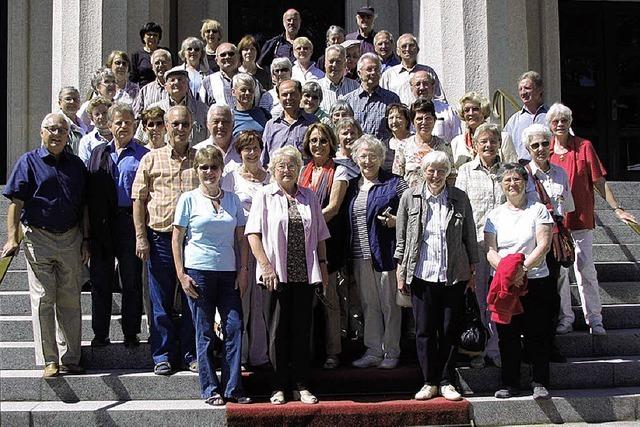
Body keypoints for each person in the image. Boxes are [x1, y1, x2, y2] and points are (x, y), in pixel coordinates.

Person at [2, 113, 90, 377]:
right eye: (51, 129)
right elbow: (15, 204)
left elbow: (85, 206)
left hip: (71, 237)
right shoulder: (27, 162)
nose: (57, 134)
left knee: (70, 299)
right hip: (38, 238)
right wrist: (11, 237)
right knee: (43, 298)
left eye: (62, 130)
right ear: (42, 133)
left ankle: (71, 357)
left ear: (68, 136)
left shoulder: (76, 165)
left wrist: (86, 238)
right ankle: (49, 359)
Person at [245, 146, 330, 405]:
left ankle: (301, 385)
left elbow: (321, 236)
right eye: (281, 165)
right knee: (277, 332)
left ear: (298, 169)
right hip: (275, 276)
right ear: (273, 169)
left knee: (302, 331)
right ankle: (278, 386)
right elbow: (253, 234)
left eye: (291, 165)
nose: (286, 170)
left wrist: (323, 270)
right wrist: (266, 267)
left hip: (304, 274)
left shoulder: (310, 197)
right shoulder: (265, 195)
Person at [548, 103, 637, 335]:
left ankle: (595, 319)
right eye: (555, 120)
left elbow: (598, 181)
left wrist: (616, 208)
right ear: (549, 125)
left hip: (580, 219)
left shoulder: (584, 147)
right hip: (556, 225)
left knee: (586, 270)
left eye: (563, 120)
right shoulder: (544, 150)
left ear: (570, 122)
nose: (559, 124)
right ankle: (565, 319)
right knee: (561, 276)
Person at [172, 146, 252, 405]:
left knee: (234, 327)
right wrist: (181, 274)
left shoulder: (233, 200)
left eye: (214, 167)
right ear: (197, 171)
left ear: (221, 170)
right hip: (199, 273)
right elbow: (177, 239)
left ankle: (232, 388)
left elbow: (241, 240)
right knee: (204, 331)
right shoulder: (188, 199)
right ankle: (210, 388)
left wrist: (243, 271)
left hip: (228, 273)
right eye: (204, 167)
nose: (209, 172)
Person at [396, 151, 478, 401]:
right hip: (421, 274)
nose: (435, 175)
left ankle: (446, 380)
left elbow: (469, 235)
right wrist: (401, 270)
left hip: (453, 274)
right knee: (424, 330)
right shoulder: (410, 197)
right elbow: (402, 238)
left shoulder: (459, 198)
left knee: (449, 328)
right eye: (431, 170)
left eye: (441, 170)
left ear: (448, 173)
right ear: (423, 172)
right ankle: (429, 381)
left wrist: (472, 269)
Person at [131, 105, 198, 376]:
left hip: (193, 242)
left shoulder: (201, 158)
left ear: (191, 126)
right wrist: (140, 237)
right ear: (165, 128)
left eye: (184, 124)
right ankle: (162, 355)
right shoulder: (151, 159)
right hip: (159, 239)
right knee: (159, 301)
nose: (180, 129)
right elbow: (139, 200)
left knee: (192, 298)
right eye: (175, 124)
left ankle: (190, 354)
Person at [484, 163, 554, 400]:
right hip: (504, 283)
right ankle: (509, 383)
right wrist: (507, 274)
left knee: (537, 333)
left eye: (516, 179)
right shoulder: (494, 215)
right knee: (507, 336)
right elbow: (490, 251)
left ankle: (540, 382)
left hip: (534, 280)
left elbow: (543, 245)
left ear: (526, 182)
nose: (512, 184)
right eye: (507, 180)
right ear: (501, 185)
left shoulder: (539, 210)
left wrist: (521, 271)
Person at [86, 103, 148, 348]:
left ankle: (131, 332)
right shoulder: (98, 153)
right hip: (102, 222)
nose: (123, 126)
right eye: (118, 122)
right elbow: (89, 192)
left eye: (128, 122)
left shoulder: (143, 154)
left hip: (130, 221)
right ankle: (100, 333)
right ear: (109, 125)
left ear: (134, 124)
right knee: (100, 280)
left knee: (131, 281)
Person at [345, 134, 408, 369]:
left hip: (386, 253)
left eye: (373, 156)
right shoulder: (351, 186)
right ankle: (373, 350)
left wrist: (396, 221)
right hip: (360, 255)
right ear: (356, 159)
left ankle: (391, 351)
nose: (368, 161)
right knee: (369, 304)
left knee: (390, 304)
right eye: (363, 156)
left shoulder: (395, 182)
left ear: (381, 158)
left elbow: (413, 213)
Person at [455, 123, 509, 368]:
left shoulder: (507, 172)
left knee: (499, 297)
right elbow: (460, 212)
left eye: (493, 140)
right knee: (476, 300)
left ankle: (496, 348)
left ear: (499, 143)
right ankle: (476, 349)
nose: (488, 145)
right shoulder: (465, 172)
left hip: (503, 247)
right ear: (474, 145)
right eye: (483, 141)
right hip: (475, 246)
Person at [298, 123, 349, 369]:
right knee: (306, 300)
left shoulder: (339, 172)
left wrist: (309, 225)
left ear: (331, 143)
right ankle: (307, 349)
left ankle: (333, 351)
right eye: (314, 140)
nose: (318, 145)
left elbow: (334, 207)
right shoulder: (302, 171)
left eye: (323, 140)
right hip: (303, 243)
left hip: (328, 242)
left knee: (329, 299)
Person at [221, 131, 271, 368]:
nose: (251, 153)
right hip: (239, 244)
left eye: (255, 148)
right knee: (240, 299)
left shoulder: (271, 177)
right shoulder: (230, 178)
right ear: (239, 152)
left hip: (266, 245)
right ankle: (237, 356)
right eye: (246, 149)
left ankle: (259, 355)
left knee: (261, 302)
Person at [393, 98, 454, 188]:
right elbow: (397, 178)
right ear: (413, 122)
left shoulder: (445, 146)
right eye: (419, 119)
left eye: (428, 118)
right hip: (411, 199)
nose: (424, 122)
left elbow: (451, 176)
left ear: (434, 120)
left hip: (439, 198)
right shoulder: (403, 146)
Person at [342, 53, 400, 141]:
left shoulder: (391, 99)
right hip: (356, 152)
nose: (373, 72)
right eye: (369, 69)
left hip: (383, 152)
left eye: (376, 69)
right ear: (359, 73)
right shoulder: (348, 101)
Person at [451, 91, 517, 168]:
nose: (471, 113)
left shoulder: (503, 138)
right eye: (466, 110)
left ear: (483, 111)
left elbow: (513, 169)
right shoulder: (457, 142)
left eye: (475, 109)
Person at [261, 79, 318, 166]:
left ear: (300, 95)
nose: (289, 98)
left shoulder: (313, 122)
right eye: (284, 95)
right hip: (277, 177)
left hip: (305, 177)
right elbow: (264, 159)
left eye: (292, 94)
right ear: (279, 98)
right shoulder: (271, 125)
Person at [148, 66, 208, 143]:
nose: (176, 82)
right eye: (172, 80)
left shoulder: (203, 109)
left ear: (188, 85)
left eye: (180, 79)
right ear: (166, 87)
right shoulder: (154, 110)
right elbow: (141, 138)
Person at [380, 33, 445, 104]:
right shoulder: (388, 75)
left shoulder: (428, 72)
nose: (407, 49)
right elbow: (382, 101)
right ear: (398, 51)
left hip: (423, 114)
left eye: (411, 46)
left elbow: (440, 99)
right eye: (404, 46)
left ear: (417, 49)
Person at [504, 71, 548, 162]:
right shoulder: (514, 120)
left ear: (539, 89)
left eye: (527, 88)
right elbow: (504, 147)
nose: (523, 92)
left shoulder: (552, 116)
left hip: (548, 169)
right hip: (523, 171)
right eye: (520, 89)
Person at [408, 71, 461, 143]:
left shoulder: (447, 110)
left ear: (433, 86)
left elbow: (457, 138)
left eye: (426, 84)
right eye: (417, 84)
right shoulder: (407, 112)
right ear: (412, 88)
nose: (422, 88)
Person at [193, 105, 241, 171]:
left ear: (233, 124)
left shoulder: (243, 150)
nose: (220, 126)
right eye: (216, 121)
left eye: (225, 121)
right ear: (207, 124)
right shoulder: (197, 151)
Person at [318, 44, 359, 113]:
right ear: (325, 63)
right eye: (331, 61)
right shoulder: (316, 87)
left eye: (338, 61)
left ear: (345, 64)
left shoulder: (355, 87)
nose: (334, 65)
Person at [132, 49, 172, 119]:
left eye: (163, 62)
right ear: (152, 67)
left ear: (170, 64)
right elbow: (136, 116)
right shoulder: (145, 91)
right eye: (157, 63)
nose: (160, 65)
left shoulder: (178, 88)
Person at [228, 73, 271, 138]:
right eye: (243, 90)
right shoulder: (230, 117)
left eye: (250, 90)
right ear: (233, 92)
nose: (247, 93)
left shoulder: (264, 114)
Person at [78, 96, 113, 165]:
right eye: (97, 114)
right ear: (91, 118)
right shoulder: (87, 141)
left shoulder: (119, 136)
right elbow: (85, 165)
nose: (101, 117)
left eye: (104, 113)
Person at [130, 22, 164, 87]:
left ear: (159, 37)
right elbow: (133, 78)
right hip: (143, 90)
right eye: (149, 34)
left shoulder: (164, 53)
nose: (152, 37)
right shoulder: (136, 54)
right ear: (143, 37)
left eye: (155, 35)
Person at [58, 86, 89, 154]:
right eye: (68, 99)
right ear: (60, 103)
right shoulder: (56, 124)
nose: (72, 102)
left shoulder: (82, 125)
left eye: (75, 99)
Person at [385, 103, 413, 169]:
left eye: (398, 117)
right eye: (391, 118)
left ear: (407, 121)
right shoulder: (383, 145)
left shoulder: (415, 142)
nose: (394, 121)